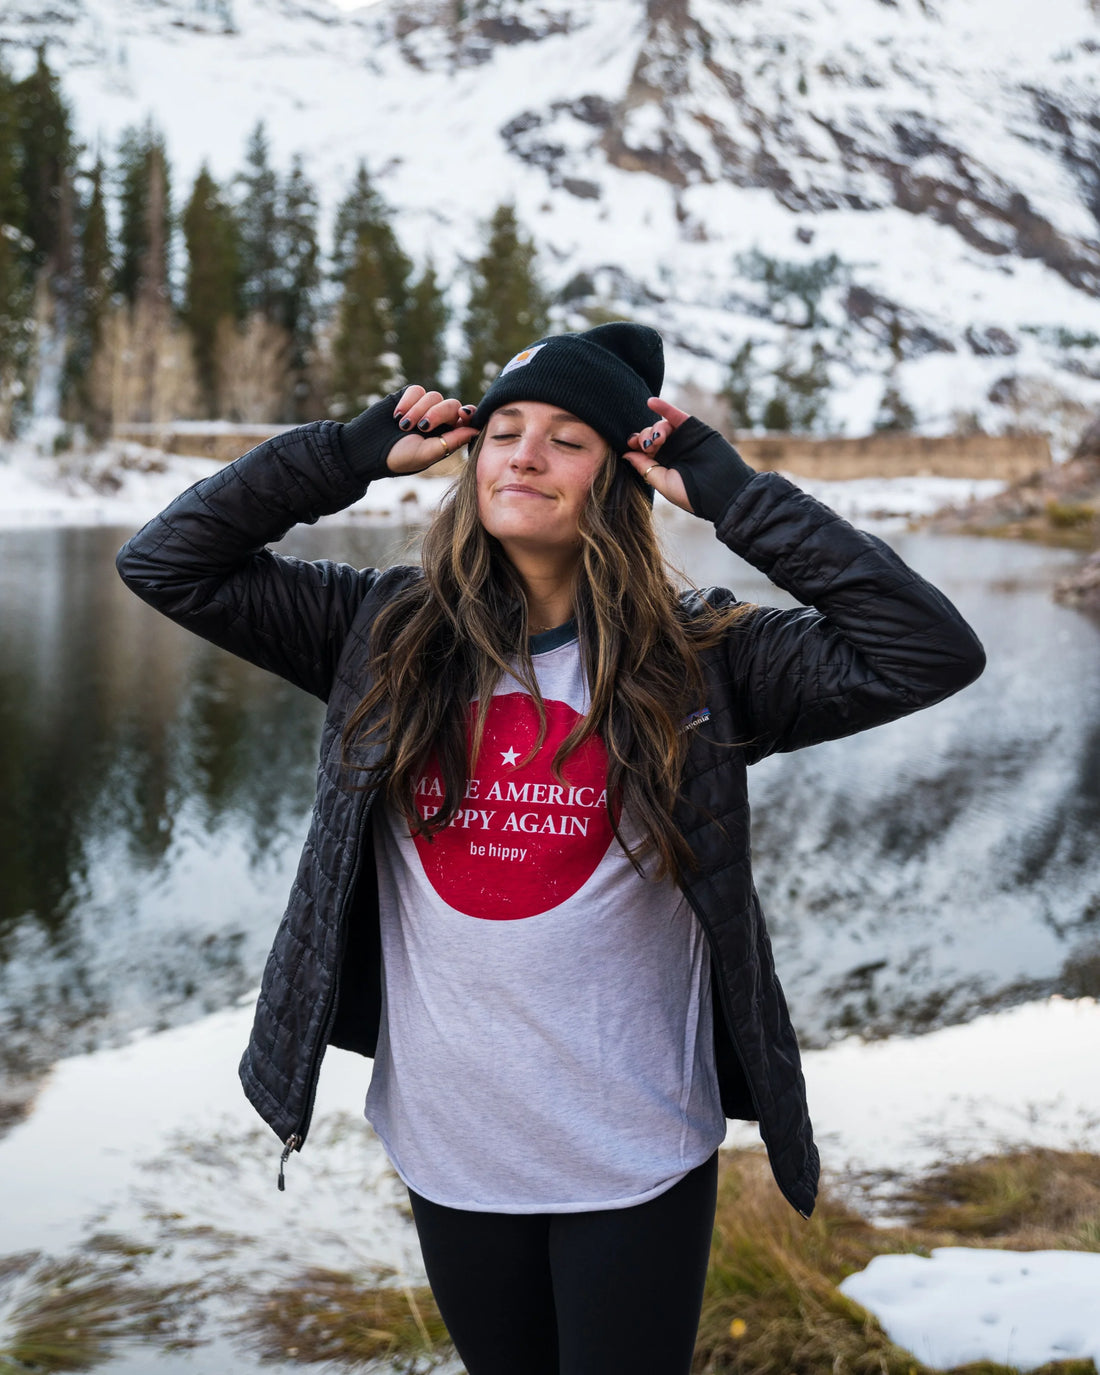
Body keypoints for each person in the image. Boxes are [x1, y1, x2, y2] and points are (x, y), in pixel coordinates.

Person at [116, 322, 985, 1375]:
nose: (522, 455)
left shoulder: (703, 660)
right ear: (466, 456)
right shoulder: (382, 631)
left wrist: (735, 494)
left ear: (619, 477)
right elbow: (166, 560)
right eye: (503, 430)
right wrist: (343, 456)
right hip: (452, 1149)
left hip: (633, 1153)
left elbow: (925, 647)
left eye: (567, 439)